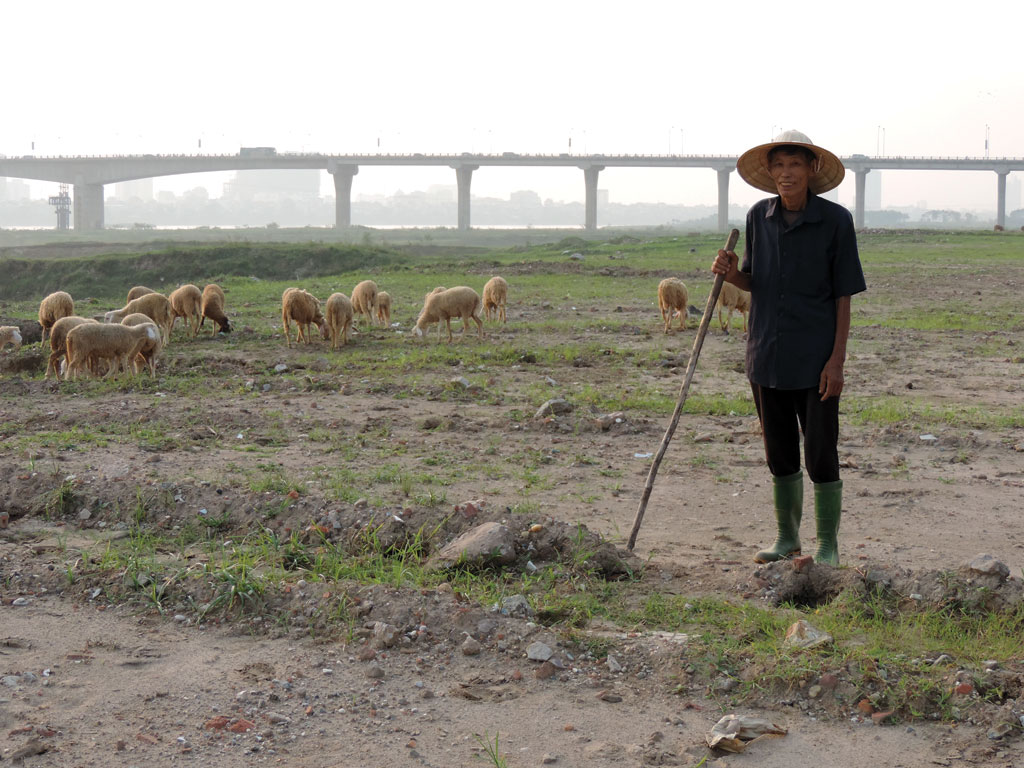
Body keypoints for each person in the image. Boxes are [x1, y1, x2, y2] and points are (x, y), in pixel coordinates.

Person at [711, 130, 866, 566]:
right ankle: (786, 538)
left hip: (815, 357)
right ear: (770, 172)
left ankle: (828, 546)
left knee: (820, 450)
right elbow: (754, 282)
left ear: (812, 169)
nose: (786, 173)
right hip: (766, 354)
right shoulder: (758, 217)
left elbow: (843, 295)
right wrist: (729, 272)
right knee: (778, 451)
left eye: (794, 164)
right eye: (778, 165)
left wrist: (836, 361)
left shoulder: (835, 221)